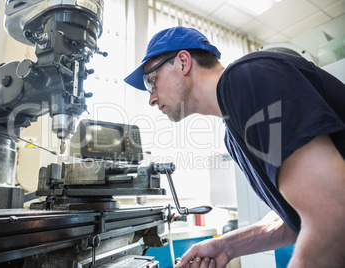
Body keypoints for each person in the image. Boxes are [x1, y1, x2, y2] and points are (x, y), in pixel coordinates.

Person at [124, 26, 345, 268]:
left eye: (151, 81)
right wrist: (226, 246)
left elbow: (332, 216)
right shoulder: (233, 137)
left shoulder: (246, 77)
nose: (151, 98)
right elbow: (295, 219)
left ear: (183, 62)